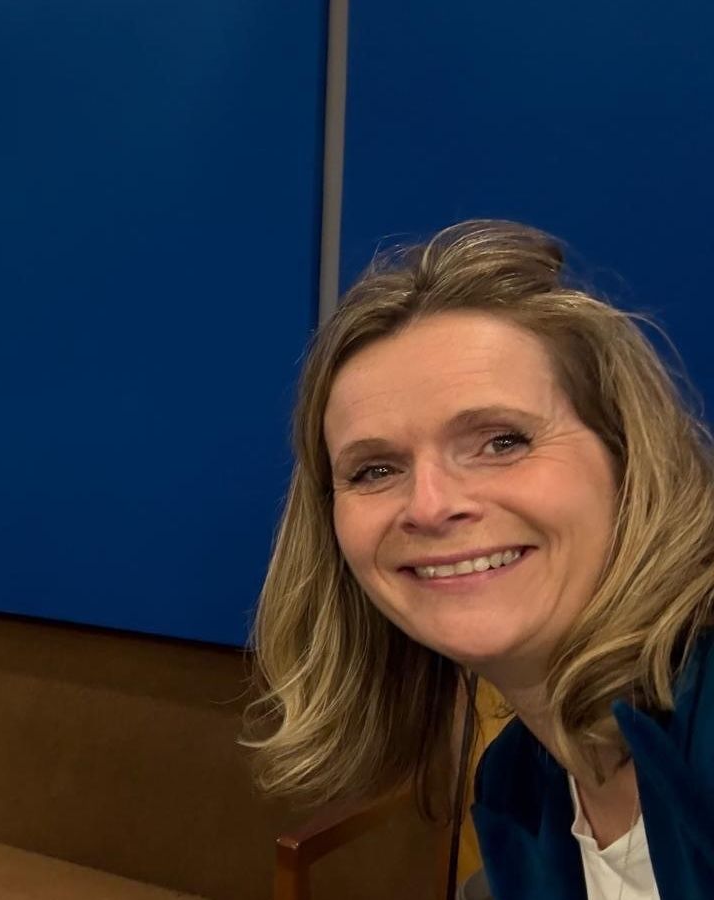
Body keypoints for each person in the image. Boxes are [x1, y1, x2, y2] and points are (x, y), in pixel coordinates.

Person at [247, 221, 713, 899]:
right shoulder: (518, 783)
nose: (430, 506)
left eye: (501, 441)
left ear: (628, 460)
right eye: (376, 469)